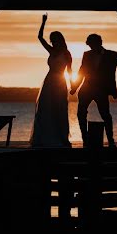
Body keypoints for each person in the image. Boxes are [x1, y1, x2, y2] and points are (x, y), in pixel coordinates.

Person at [30, 13, 72, 147]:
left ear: (60, 40)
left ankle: (61, 137)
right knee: (45, 108)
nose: (53, 42)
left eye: (55, 40)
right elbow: (40, 37)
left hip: (60, 83)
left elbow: (70, 71)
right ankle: (43, 137)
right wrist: (43, 22)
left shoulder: (66, 53)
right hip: (49, 82)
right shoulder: (51, 51)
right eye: (52, 40)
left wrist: (73, 86)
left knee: (59, 109)